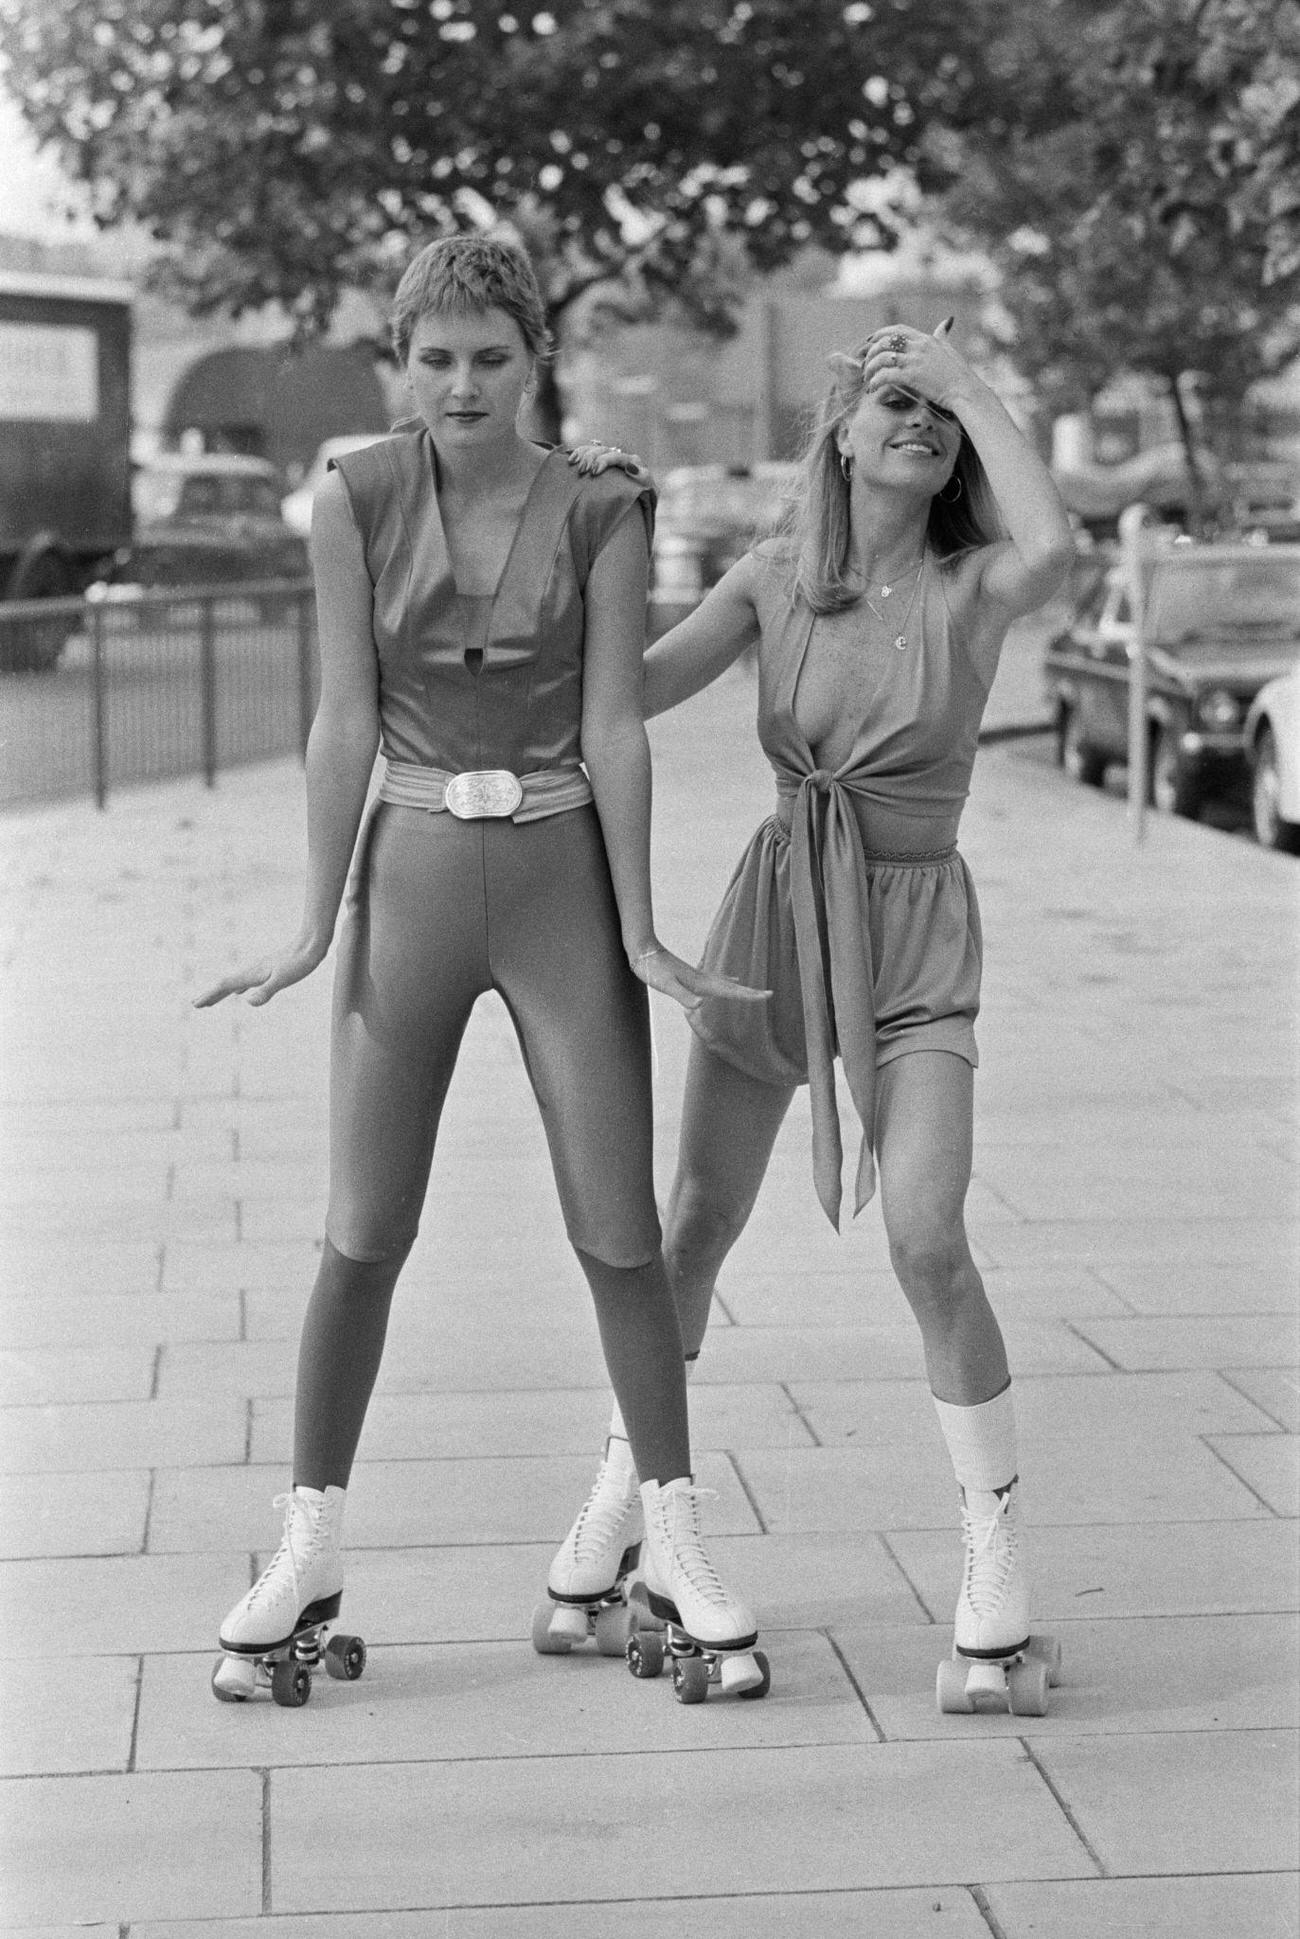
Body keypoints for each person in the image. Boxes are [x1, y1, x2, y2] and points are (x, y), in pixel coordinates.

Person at [197, 233, 769, 1702]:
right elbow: (339, 722)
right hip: (410, 877)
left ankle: (674, 1531)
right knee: (363, 1228)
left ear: (535, 361)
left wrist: (642, 929)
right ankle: (307, 1539)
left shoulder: (606, 504)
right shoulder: (353, 497)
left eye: (491, 358)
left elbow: (619, 726)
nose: (461, 385)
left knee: (619, 1227)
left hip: (563, 879)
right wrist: (315, 919)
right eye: (434, 357)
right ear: (403, 357)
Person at [557, 320, 1075, 1697]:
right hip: (775, 914)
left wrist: (969, 380)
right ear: (841, 436)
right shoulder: (770, 579)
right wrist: (587, 527)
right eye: (896, 403)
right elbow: (622, 688)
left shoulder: (974, 588)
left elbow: (1061, 550)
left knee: (927, 1236)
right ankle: (626, 1509)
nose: (926, 425)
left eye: (943, 417)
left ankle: (994, 1543)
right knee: (692, 1231)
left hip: (912, 939)